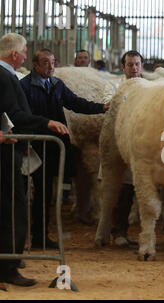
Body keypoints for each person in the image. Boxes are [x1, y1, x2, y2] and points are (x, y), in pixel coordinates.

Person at [20, 48, 109, 249]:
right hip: (34, 146)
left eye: (53, 62)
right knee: (35, 193)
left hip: (53, 148)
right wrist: (46, 123)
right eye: (45, 63)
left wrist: (101, 107)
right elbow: (22, 116)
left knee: (46, 195)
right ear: (35, 65)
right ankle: (32, 237)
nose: (51, 67)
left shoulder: (57, 84)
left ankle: (40, 236)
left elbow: (75, 103)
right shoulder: (24, 86)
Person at [0, 33, 68, 287]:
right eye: (25, 51)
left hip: (9, 147)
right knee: (13, 208)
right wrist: (46, 122)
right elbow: (13, 113)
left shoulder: (6, 75)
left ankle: (8, 262)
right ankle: (8, 266)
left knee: (12, 206)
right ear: (15, 54)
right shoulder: (4, 76)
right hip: (5, 153)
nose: (27, 55)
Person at [108, 50, 145, 247]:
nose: (134, 68)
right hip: (120, 146)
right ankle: (118, 231)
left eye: (137, 64)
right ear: (123, 67)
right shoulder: (117, 88)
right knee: (123, 191)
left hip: (143, 146)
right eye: (130, 64)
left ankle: (147, 234)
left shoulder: (148, 88)